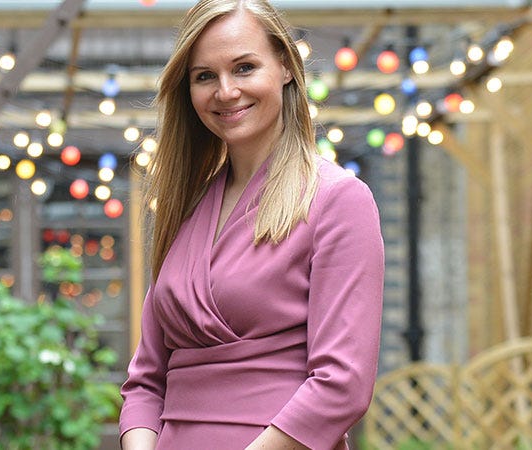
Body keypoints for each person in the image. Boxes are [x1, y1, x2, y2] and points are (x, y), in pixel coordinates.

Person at [119, 0, 384, 448]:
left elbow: (342, 384)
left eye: (244, 68)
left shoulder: (338, 200)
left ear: (286, 66)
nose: (225, 91)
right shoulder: (186, 207)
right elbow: (145, 381)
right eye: (205, 76)